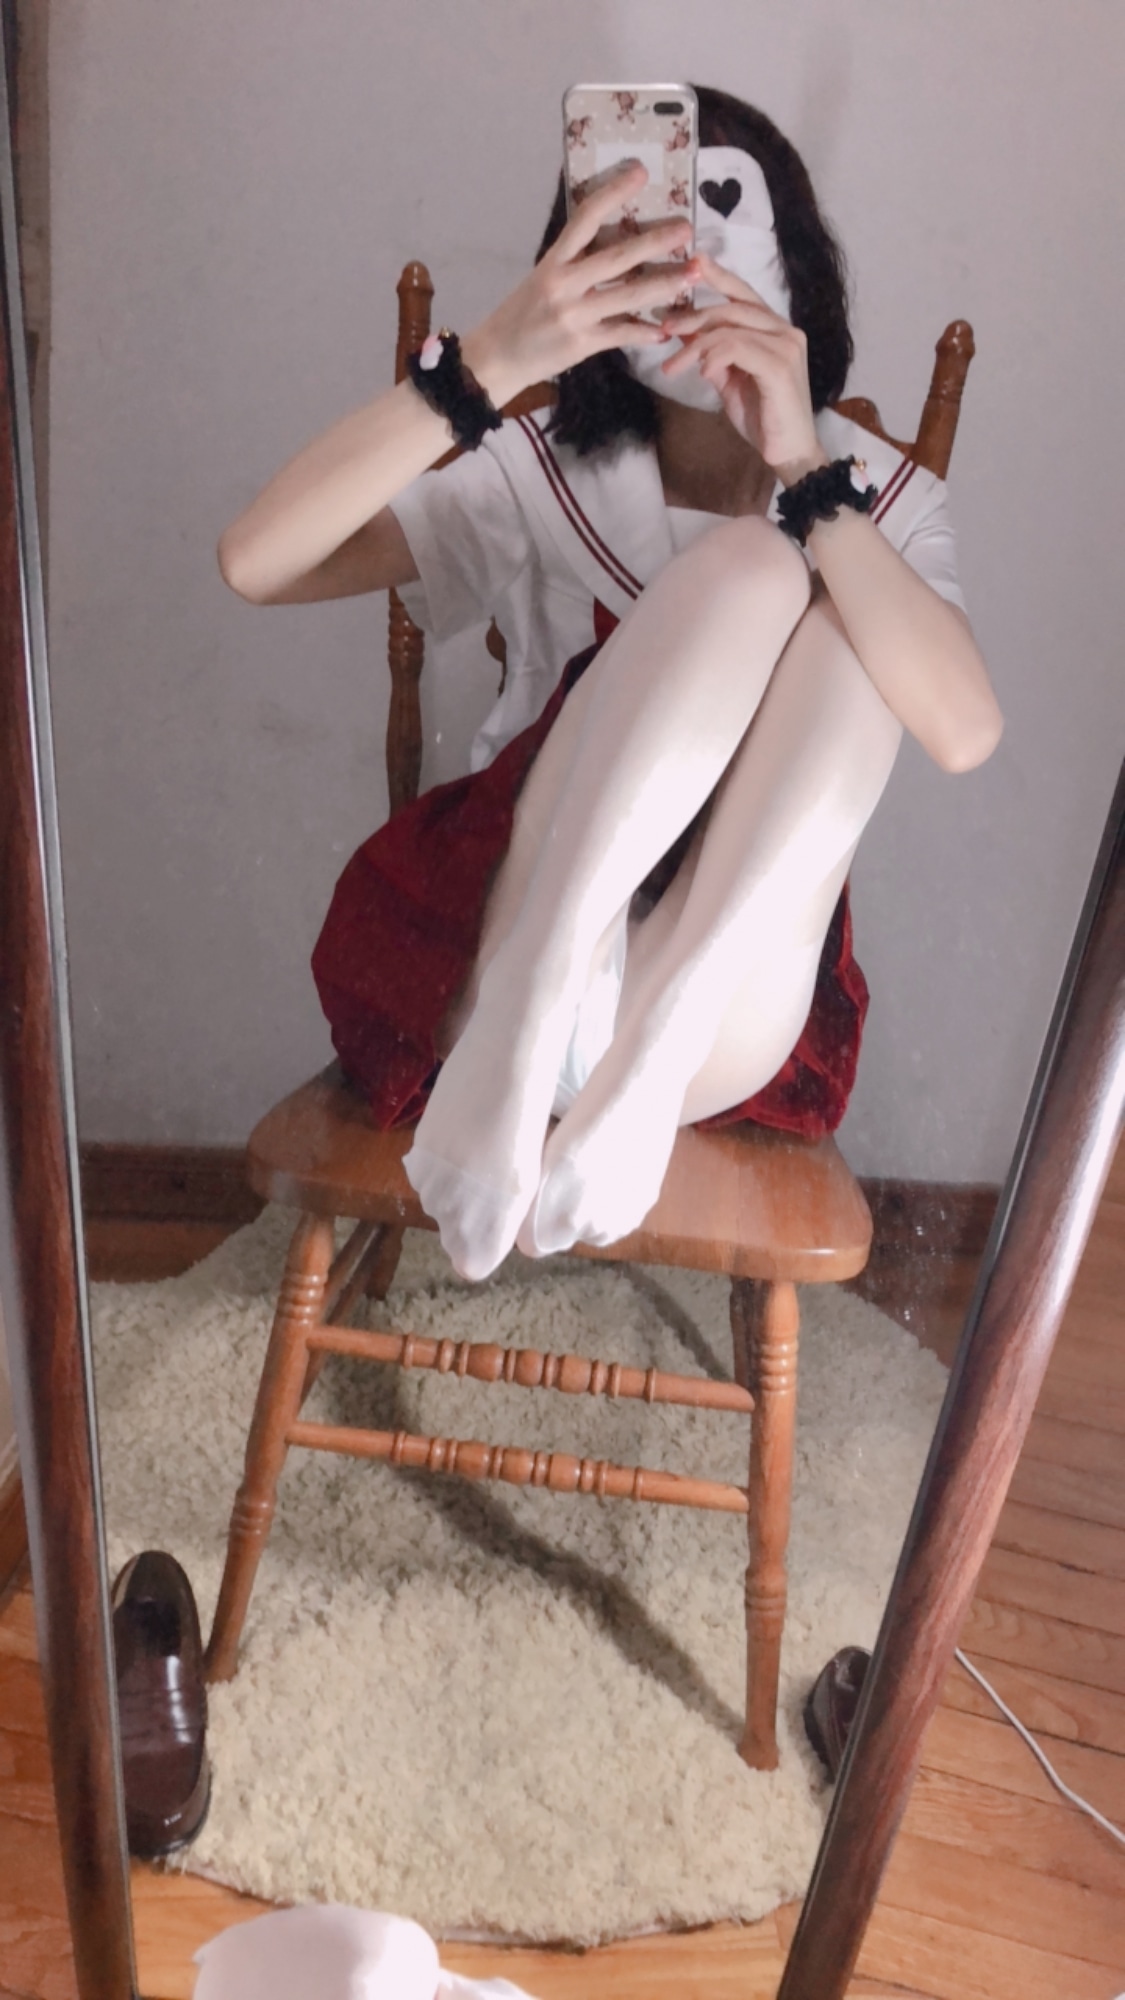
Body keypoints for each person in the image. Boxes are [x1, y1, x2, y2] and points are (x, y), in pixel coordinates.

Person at [219, 87, 1002, 1284]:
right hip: (512, 939)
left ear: (793, 271)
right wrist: (487, 363)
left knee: (854, 615)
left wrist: (806, 468)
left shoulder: (879, 493)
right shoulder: (545, 471)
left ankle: (646, 1045)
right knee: (760, 570)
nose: (690, 260)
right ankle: (534, 1001)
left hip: (715, 1006)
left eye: (723, 215)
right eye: (646, 230)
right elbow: (256, 561)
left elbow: (961, 728)